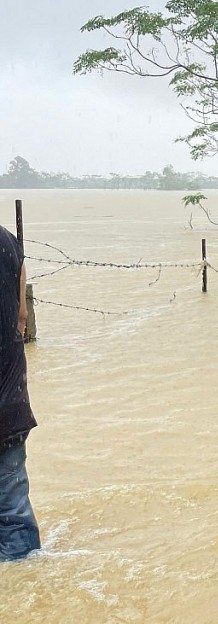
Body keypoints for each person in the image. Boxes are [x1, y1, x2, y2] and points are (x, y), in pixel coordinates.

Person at [0, 224, 40, 561]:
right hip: (11, 402)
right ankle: (27, 578)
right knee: (13, 507)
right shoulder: (8, 242)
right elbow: (22, 317)